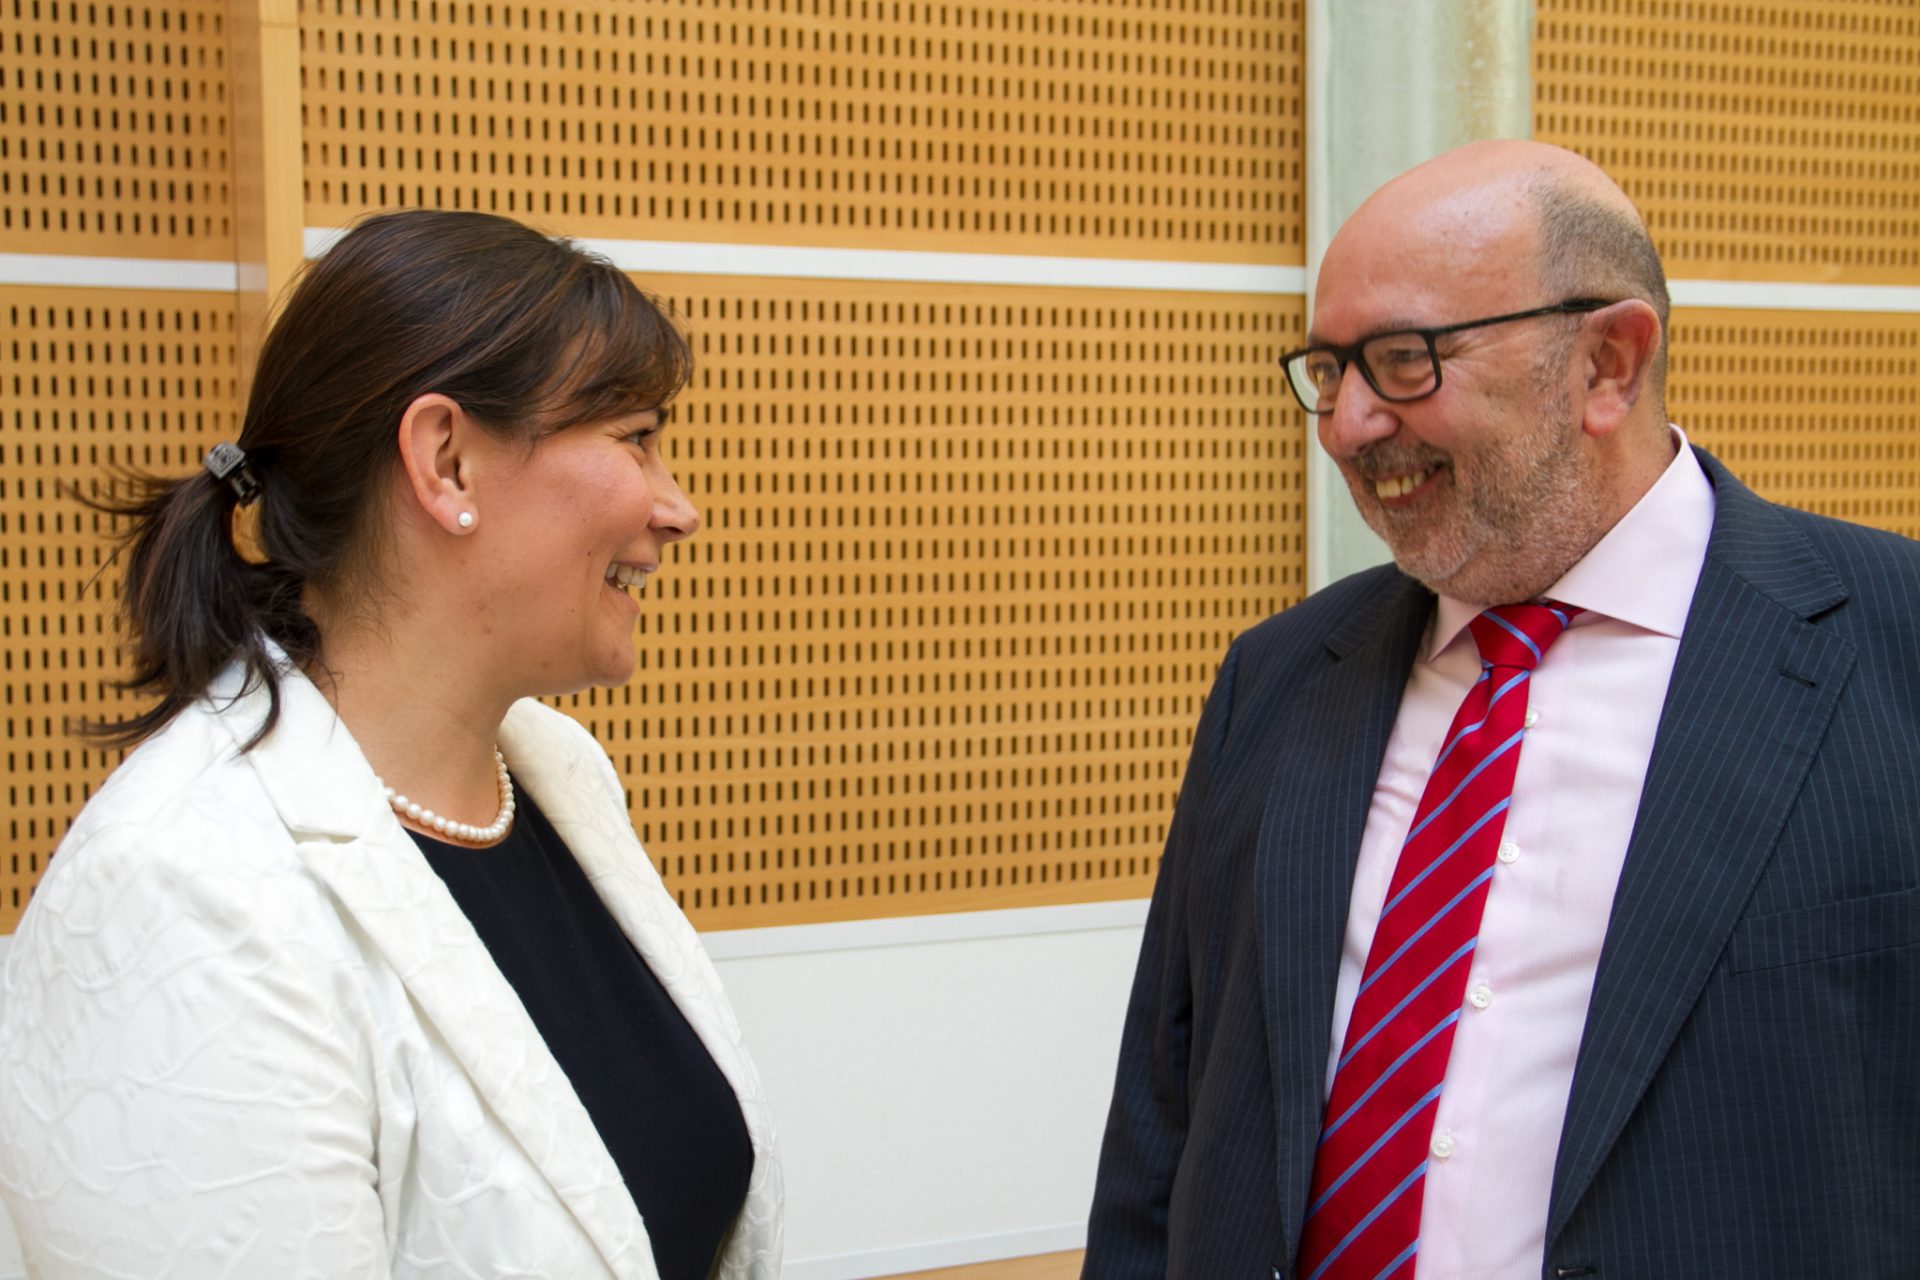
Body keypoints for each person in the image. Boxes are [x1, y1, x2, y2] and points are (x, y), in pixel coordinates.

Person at [1083, 139, 1920, 1280]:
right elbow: (1162, 1130)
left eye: (1403, 360)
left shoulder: (1889, 646)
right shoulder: (1275, 680)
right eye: (1329, 370)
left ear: (1608, 363)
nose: (1347, 425)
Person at [0, 210, 782, 1278]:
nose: (677, 508)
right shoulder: (179, 892)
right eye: (636, 437)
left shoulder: (558, 777)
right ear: (446, 461)